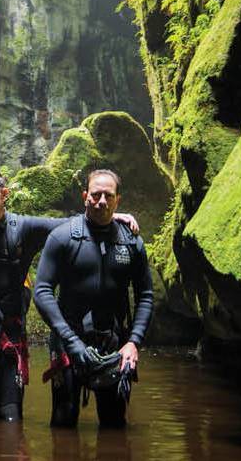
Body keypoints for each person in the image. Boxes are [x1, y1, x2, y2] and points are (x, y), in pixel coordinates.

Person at [0, 169, 141, 421]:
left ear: (4, 194)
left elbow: (71, 223)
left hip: (9, 331)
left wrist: (111, 215)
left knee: (11, 417)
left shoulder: (24, 228)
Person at [33, 169, 154, 428]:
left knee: (114, 423)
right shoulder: (63, 237)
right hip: (68, 339)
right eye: (95, 194)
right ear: (85, 196)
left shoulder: (131, 242)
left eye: (108, 196)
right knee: (64, 421)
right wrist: (70, 340)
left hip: (114, 343)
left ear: (117, 200)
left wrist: (134, 342)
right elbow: (42, 291)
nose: (101, 201)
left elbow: (145, 294)